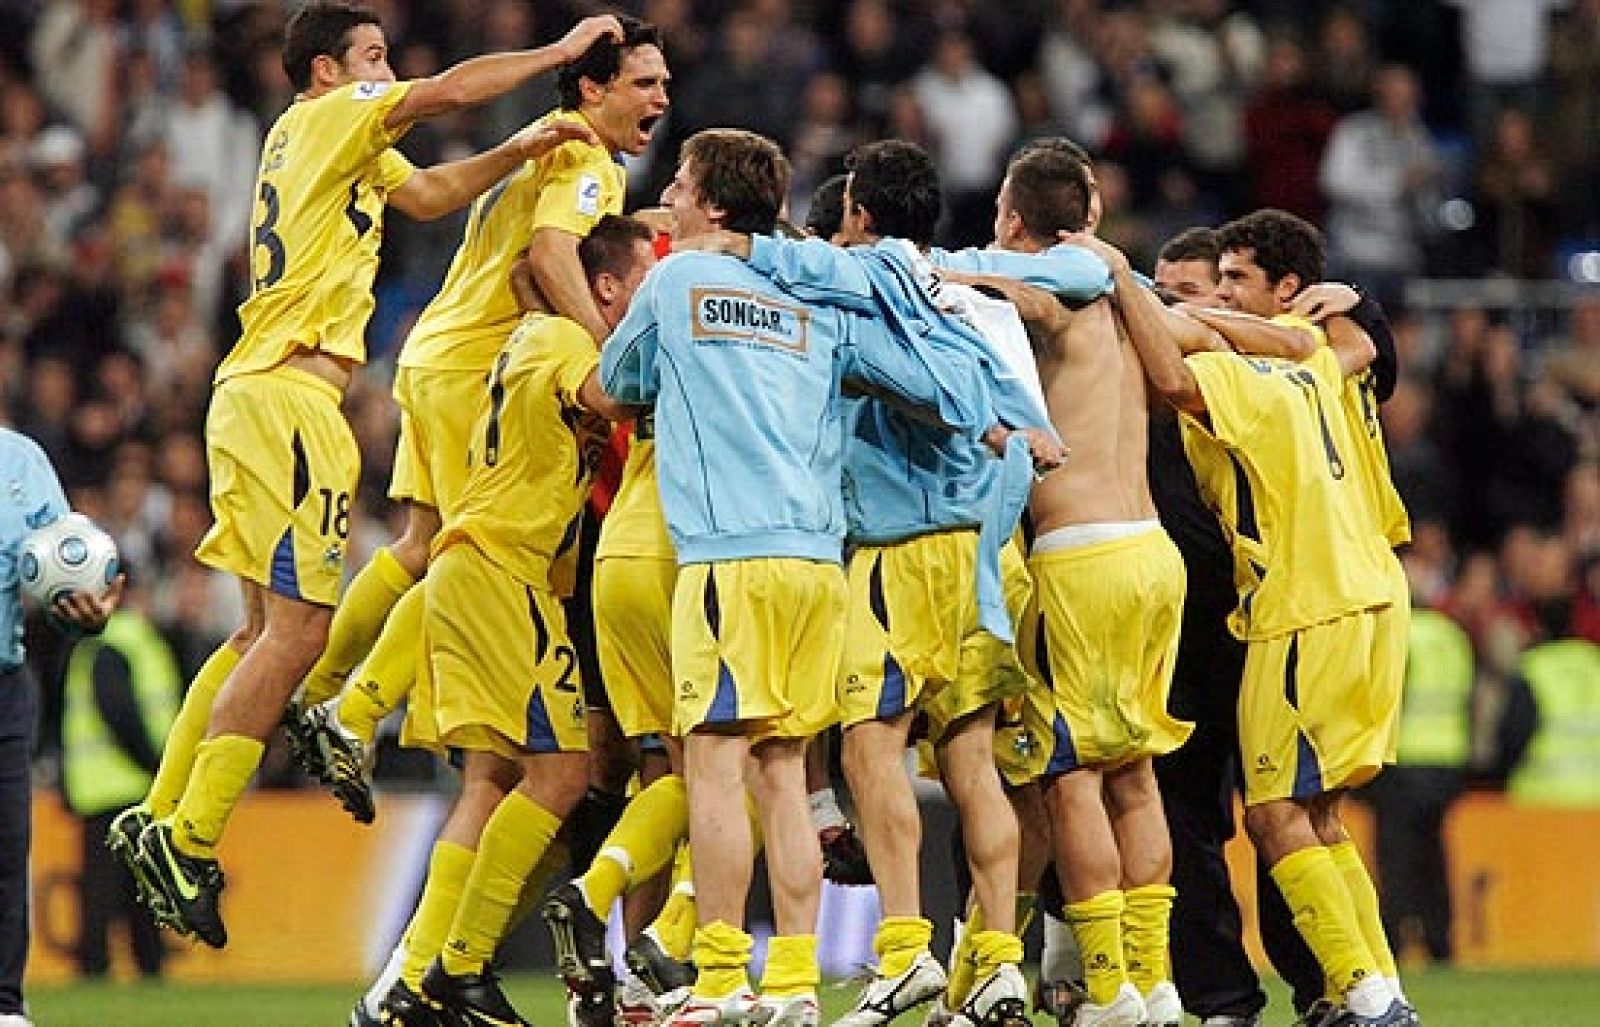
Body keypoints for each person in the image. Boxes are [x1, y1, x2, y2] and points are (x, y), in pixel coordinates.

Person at [116, 1, 626, 950]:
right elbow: (445, 94)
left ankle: (161, 815)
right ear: (323, 71)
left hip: (257, 391)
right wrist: (556, 53)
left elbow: (429, 196)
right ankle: (189, 836)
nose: (387, 75)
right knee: (297, 635)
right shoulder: (338, 113)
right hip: (293, 394)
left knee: (261, 633)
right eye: (372, 58)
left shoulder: (316, 139)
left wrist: (519, 150)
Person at [599, 128, 1019, 1027]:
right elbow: (944, 393)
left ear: (712, 204)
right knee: (783, 771)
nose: (666, 192)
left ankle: (718, 978)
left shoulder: (677, 278)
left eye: (679, 181)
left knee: (714, 768)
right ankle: (791, 978)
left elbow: (617, 379)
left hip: (729, 557)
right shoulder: (818, 301)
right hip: (819, 567)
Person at [707, 138, 1063, 1027]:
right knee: (973, 761)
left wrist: (737, 249)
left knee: (869, 746)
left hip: (902, 549)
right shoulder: (972, 294)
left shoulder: (864, 285)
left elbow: (914, 378)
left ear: (858, 214)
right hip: (986, 547)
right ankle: (993, 961)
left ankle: (904, 950)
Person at [285, 13, 669, 829]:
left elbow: (531, 251)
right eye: (645, 83)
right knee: (469, 547)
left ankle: (316, 691)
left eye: (664, 83)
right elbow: (551, 253)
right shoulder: (589, 158)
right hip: (476, 369)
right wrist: (605, 361)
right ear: (594, 88)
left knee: (420, 545)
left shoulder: (546, 135)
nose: (662, 98)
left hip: (438, 349)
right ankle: (353, 713)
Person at [1084, 214, 1419, 1025]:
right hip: (1371, 592)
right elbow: (1357, 346)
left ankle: (1368, 998)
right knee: (1320, 816)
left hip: (1302, 606)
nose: (1221, 293)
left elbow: (1172, 378)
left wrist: (1124, 284)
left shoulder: (1254, 378)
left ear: (1287, 292)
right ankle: (1375, 987)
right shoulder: (1334, 361)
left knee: (1271, 814)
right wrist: (1352, 309)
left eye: (1234, 279)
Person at [387, 214, 657, 1027]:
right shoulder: (565, 344)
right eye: (647, 279)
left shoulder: (540, 337)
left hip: (500, 566)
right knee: (562, 774)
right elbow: (615, 396)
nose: (654, 292)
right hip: (502, 566)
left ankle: (440, 969)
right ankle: (456, 966)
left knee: (515, 774)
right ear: (603, 285)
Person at [954, 147, 1194, 1027]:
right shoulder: (1134, 305)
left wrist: (938, 266)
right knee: (1135, 775)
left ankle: (1110, 988)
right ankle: (1157, 981)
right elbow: (1183, 374)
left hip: (1080, 555)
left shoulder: (1055, 297)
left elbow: (1021, 296)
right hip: (1151, 554)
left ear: (1015, 221)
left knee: (1072, 780)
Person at [1, 428, 120, 1027]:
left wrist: (88, 613)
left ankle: (5, 1007)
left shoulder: (23, 462)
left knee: (6, 848)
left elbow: (69, 564)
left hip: (5, 685)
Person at [61, 570, 178, 981]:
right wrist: (159, 766)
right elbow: (121, 714)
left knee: (127, 887)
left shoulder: (100, 642)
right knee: (116, 888)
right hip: (121, 785)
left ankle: (139, 966)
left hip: (105, 785)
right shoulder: (122, 640)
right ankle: (104, 967)